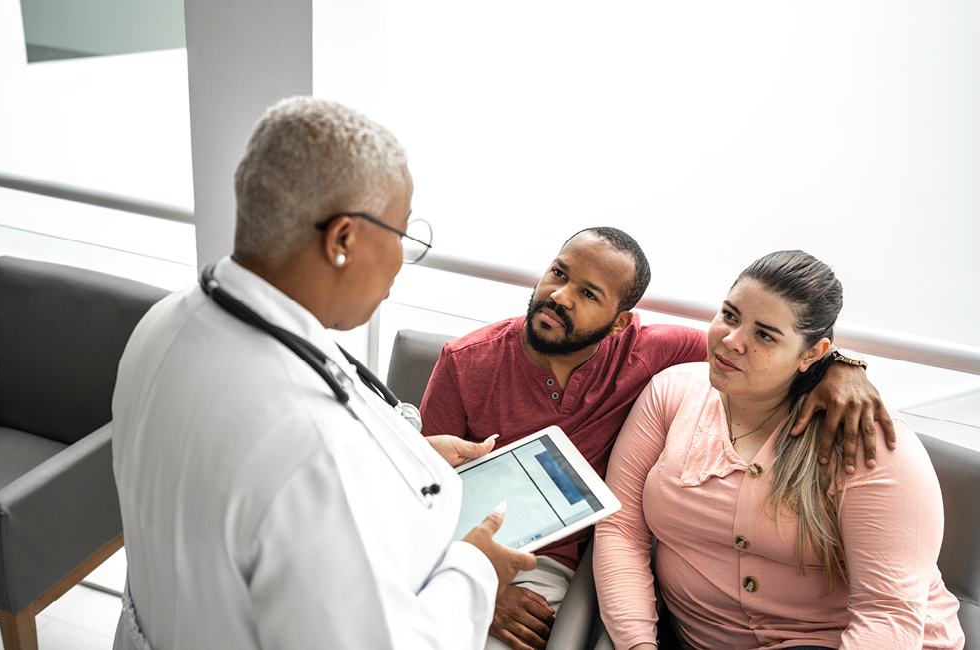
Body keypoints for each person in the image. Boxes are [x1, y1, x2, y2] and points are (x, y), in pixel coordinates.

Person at [111, 97, 536, 650]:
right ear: (343, 240)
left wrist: (401, 453)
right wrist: (476, 570)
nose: (401, 262)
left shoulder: (166, 322)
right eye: (402, 236)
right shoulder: (316, 450)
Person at [420, 230, 895, 650]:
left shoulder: (654, 353)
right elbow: (415, 492)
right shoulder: (464, 361)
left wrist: (841, 368)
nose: (560, 297)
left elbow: (754, 349)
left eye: (588, 293)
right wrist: (487, 586)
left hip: (552, 568)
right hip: (451, 543)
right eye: (558, 273)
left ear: (621, 322)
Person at [594, 250, 964, 650]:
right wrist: (637, 644)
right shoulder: (670, 392)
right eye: (730, 315)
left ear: (813, 353)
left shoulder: (865, 437)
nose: (731, 341)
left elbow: (888, 614)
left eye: (765, 335)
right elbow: (620, 529)